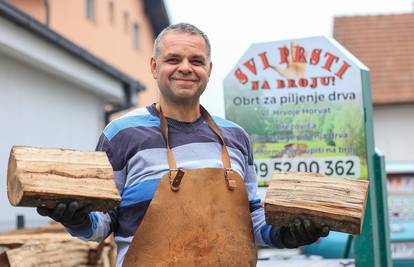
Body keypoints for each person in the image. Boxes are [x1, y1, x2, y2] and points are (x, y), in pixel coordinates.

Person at [37, 23, 329, 266]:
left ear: (209, 69)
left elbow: (253, 221)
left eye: (197, 61)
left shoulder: (236, 138)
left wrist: (288, 235)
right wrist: (76, 218)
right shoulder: (121, 133)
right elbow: (102, 224)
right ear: (154, 66)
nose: (186, 68)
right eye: (173, 59)